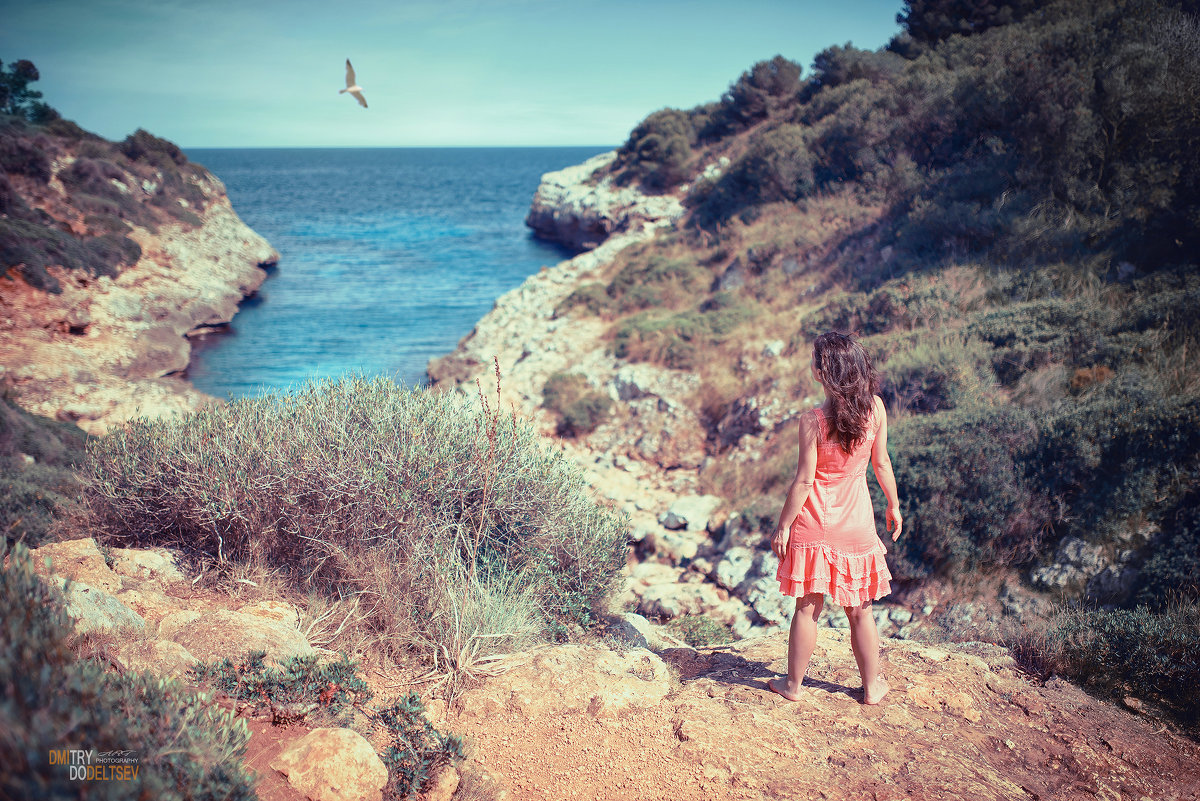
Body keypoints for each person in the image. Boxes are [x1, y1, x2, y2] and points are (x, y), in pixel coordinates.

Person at [768, 332, 902, 705]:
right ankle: (872, 687)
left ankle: (793, 686)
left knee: (807, 608)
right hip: (857, 522)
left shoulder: (813, 421)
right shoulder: (875, 409)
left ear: (823, 373)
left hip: (815, 523)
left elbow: (805, 480)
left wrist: (783, 526)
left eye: (815, 360)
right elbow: (882, 462)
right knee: (860, 610)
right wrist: (893, 504)